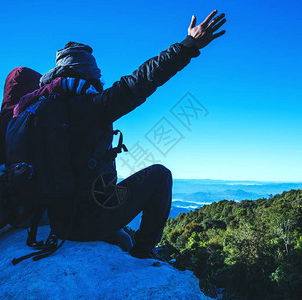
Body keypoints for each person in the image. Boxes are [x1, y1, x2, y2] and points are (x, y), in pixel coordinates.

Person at [34, 10, 226, 259]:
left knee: (122, 231)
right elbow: (141, 81)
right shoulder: (91, 107)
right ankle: (144, 254)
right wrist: (188, 46)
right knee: (160, 176)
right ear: (88, 74)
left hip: (55, 218)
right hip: (84, 219)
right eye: (97, 74)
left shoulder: (42, 110)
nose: (100, 78)